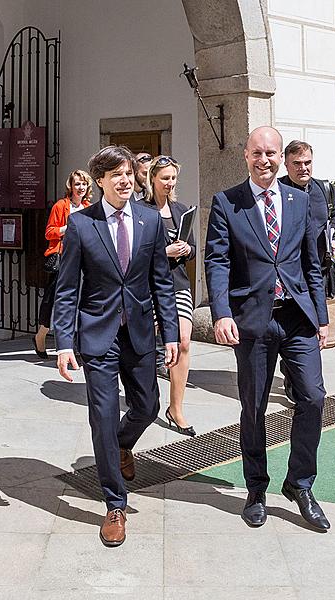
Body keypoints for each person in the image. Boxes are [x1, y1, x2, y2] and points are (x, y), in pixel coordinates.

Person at [205, 126, 331, 531]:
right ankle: (256, 487)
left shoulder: (300, 199)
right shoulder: (228, 202)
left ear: (281, 158)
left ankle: (299, 483)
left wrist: (322, 318)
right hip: (253, 321)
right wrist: (222, 312)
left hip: (296, 317)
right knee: (254, 406)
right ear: (245, 156)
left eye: (272, 153)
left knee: (312, 396)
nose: (265, 160)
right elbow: (217, 262)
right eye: (257, 153)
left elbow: (311, 263)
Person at [53, 145, 179, 547]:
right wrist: (63, 341)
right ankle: (115, 504)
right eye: (116, 175)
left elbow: (161, 281)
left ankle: (122, 446)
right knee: (103, 416)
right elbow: (67, 288)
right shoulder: (81, 225)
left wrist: (172, 335)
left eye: (129, 173)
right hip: (98, 336)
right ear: (101, 181)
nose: (125, 180)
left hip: (140, 332)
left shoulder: (149, 220)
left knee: (147, 406)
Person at [279, 140, 335, 402]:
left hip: (318, 272)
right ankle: (296, 376)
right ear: (286, 163)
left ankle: (297, 372)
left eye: (307, 162)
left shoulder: (325, 190)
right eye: (297, 163)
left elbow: (333, 220)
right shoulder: (278, 189)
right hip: (292, 275)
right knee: (302, 329)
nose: (303, 168)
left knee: (317, 327)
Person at [142, 155, 196, 436]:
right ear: (152, 178)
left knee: (184, 341)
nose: (169, 183)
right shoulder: (139, 210)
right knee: (147, 346)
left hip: (178, 284)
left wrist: (187, 250)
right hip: (149, 286)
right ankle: (144, 401)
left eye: (173, 178)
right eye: (164, 178)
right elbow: (133, 254)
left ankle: (176, 408)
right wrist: (164, 252)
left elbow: (194, 248)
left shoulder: (182, 209)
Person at [32, 170, 92, 359]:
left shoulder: (89, 206)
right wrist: (69, 227)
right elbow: (49, 233)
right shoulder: (61, 206)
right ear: (71, 186)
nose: (80, 188)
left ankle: (77, 345)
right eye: (77, 184)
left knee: (81, 300)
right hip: (62, 258)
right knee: (52, 300)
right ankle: (40, 336)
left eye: (83, 184)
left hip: (83, 259)